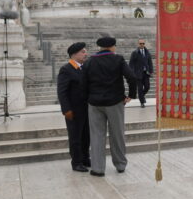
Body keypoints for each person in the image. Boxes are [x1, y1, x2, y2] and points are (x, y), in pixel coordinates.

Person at [81, 36, 136, 177]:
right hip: (115, 102)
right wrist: (131, 95)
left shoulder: (90, 61)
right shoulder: (118, 60)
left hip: (94, 103)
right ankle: (120, 164)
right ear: (112, 47)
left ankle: (98, 168)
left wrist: (88, 97)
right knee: (117, 134)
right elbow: (132, 77)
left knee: (96, 136)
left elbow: (82, 82)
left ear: (100, 47)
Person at [57, 42, 91, 172]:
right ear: (74, 54)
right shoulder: (66, 69)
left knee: (86, 136)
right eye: (83, 52)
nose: (85, 54)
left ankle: (85, 158)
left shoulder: (84, 68)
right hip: (74, 110)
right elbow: (62, 91)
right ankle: (76, 162)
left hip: (87, 109)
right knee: (75, 137)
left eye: (85, 51)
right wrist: (66, 110)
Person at [128, 39, 153, 107]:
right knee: (140, 88)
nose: (142, 45)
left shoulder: (147, 52)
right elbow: (131, 63)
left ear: (144, 44)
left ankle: (141, 96)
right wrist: (132, 73)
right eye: (140, 43)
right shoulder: (135, 52)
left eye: (143, 43)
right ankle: (142, 102)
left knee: (147, 87)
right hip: (138, 74)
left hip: (146, 73)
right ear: (138, 44)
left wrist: (151, 71)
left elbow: (150, 62)